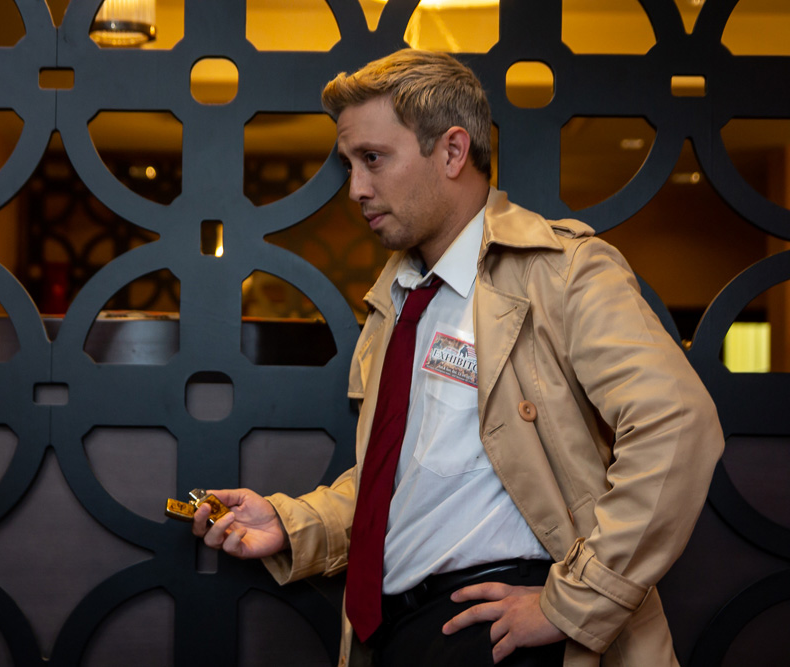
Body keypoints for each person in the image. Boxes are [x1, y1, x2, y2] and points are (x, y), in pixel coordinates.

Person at [192, 49, 724, 666]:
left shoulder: (564, 273)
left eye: (373, 159)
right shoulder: (398, 298)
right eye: (349, 164)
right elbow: (405, 485)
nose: (357, 188)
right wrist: (291, 524)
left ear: (451, 151)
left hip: (498, 634)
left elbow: (677, 424)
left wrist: (572, 604)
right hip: (397, 634)